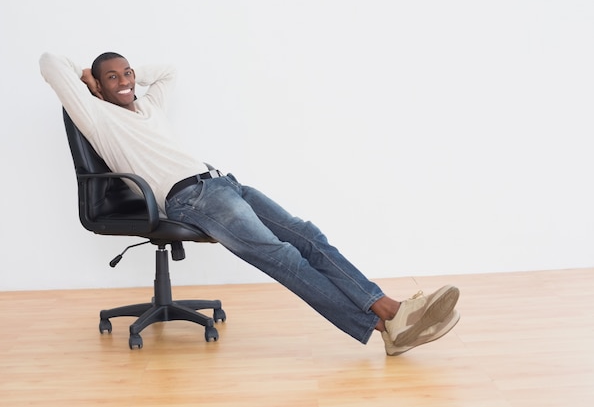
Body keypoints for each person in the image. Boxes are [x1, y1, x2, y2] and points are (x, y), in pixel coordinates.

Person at [39, 51, 460, 355]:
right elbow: (48, 62)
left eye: (127, 73)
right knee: (283, 257)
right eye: (112, 77)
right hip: (191, 198)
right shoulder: (96, 117)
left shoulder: (148, 106)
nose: (125, 81)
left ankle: (391, 312)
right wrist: (88, 79)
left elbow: (168, 70)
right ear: (95, 86)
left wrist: (128, 75)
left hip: (225, 183)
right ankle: (387, 321)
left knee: (309, 237)